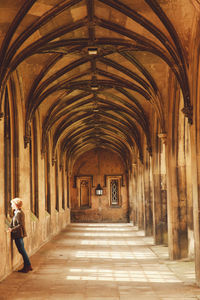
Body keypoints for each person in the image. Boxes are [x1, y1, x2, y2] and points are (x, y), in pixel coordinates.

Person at [8, 198, 33, 273]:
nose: (11, 205)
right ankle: (27, 266)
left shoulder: (19, 213)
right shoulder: (16, 212)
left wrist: (12, 229)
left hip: (19, 234)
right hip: (18, 234)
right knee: (21, 250)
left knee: (22, 251)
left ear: (15, 205)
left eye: (12, 204)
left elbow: (20, 225)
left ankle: (28, 265)